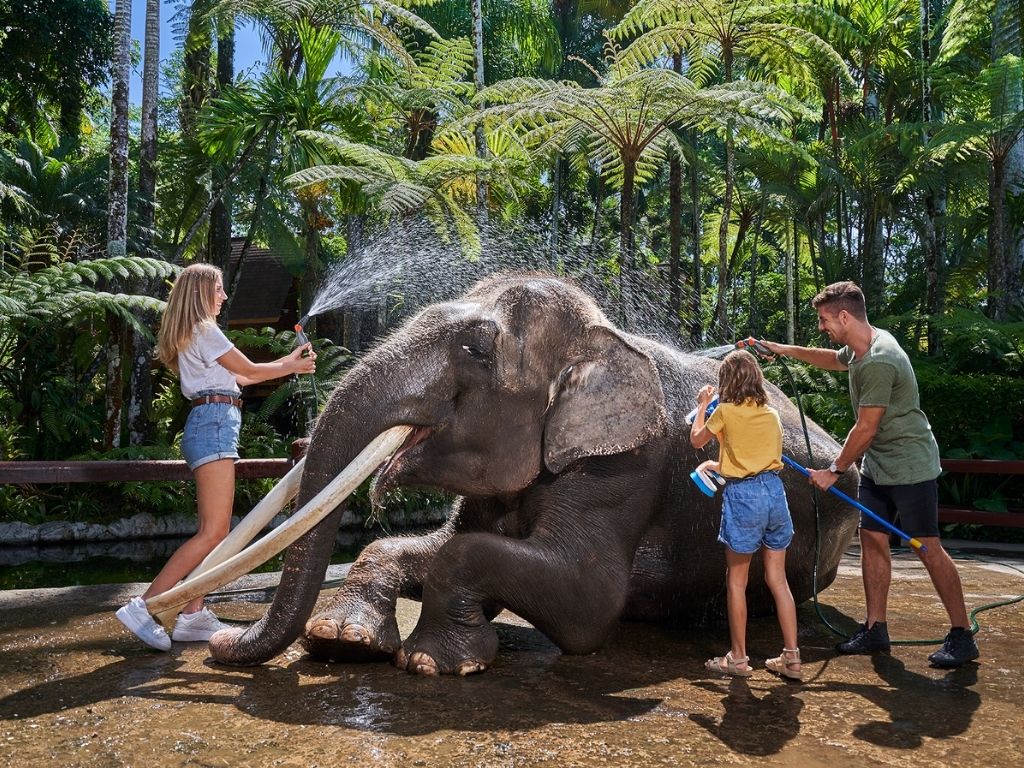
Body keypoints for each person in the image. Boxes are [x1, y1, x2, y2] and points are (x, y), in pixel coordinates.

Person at [760, 280, 979, 668]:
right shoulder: (861, 347)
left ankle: (962, 634)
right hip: (879, 465)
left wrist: (833, 470)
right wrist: (783, 350)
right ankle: (876, 628)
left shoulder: (879, 359)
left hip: (909, 466)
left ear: (845, 316)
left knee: (927, 548)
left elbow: (865, 428)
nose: (823, 326)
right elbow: (833, 359)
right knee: (873, 541)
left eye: (825, 320)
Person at [115, 263, 316, 650]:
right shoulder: (204, 330)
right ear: (201, 291)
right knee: (212, 532)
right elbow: (251, 369)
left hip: (212, 420)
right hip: (214, 422)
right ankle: (145, 606)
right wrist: (293, 365)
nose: (223, 296)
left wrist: (289, 366)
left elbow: (242, 378)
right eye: (219, 289)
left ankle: (192, 614)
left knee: (216, 532)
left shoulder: (197, 332)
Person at [690, 350, 803, 681]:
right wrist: (717, 464)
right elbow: (752, 458)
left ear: (727, 382)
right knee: (777, 580)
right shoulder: (771, 413)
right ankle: (792, 660)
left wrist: (702, 405)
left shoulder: (723, 410)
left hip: (744, 499)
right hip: (775, 494)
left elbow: (697, 440)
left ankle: (738, 659)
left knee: (736, 582)